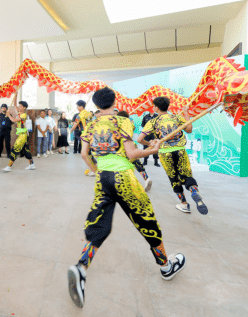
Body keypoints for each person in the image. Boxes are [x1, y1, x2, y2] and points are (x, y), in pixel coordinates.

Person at [67, 87, 186, 309]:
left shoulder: (91, 124)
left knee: (99, 223)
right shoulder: (122, 121)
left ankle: (81, 267)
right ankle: (165, 266)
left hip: (102, 177)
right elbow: (131, 154)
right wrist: (153, 149)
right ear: (114, 101)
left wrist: (97, 170)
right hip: (124, 178)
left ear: (95, 105)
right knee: (146, 221)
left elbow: (84, 154)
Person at [138, 96, 208, 215]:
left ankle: (184, 204)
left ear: (156, 108)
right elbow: (189, 129)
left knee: (174, 178)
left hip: (165, 154)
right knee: (186, 175)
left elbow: (140, 139)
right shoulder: (176, 117)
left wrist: (148, 143)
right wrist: (186, 113)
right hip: (180, 151)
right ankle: (194, 190)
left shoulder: (153, 121)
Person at [118, 111, 153, 192]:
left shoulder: (117, 124)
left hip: (122, 147)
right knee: (137, 163)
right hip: (132, 145)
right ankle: (147, 179)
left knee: (122, 165)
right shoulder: (131, 124)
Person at [3, 94, 35, 172]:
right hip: (21, 134)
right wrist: (16, 96)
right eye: (19, 105)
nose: (19, 107)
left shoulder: (24, 115)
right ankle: (32, 165)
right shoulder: (20, 112)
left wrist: (8, 115)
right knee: (26, 150)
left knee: (15, 149)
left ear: (24, 107)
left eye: (20, 106)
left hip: (23, 135)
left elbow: (14, 120)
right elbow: (14, 105)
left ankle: (9, 166)